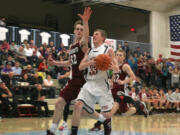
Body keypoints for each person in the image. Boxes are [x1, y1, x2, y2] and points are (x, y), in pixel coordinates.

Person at [46, 7, 92, 135]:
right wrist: (55, 63)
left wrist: (86, 22)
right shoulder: (71, 46)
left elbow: (86, 37)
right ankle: (52, 130)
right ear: (74, 31)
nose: (79, 31)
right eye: (77, 29)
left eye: (81, 29)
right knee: (59, 102)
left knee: (81, 109)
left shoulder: (83, 44)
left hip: (84, 82)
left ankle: (100, 120)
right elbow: (70, 63)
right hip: (73, 81)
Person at [70, 27, 119, 135]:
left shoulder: (108, 50)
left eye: (96, 34)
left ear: (102, 37)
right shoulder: (89, 50)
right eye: (93, 34)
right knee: (78, 106)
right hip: (90, 83)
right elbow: (80, 67)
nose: (94, 36)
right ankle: (73, 133)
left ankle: (106, 122)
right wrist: (91, 62)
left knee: (107, 115)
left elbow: (117, 68)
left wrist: (112, 68)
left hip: (102, 84)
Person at [89, 49, 136, 132]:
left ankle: (139, 106)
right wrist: (110, 82)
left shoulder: (125, 66)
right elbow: (111, 76)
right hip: (112, 91)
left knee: (123, 113)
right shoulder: (112, 65)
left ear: (124, 57)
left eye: (120, 55)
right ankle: (99, 126)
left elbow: (133, 77)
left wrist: (123, 82)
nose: (118, 57)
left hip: (120, 92)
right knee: (107, 109)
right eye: (117, 55)